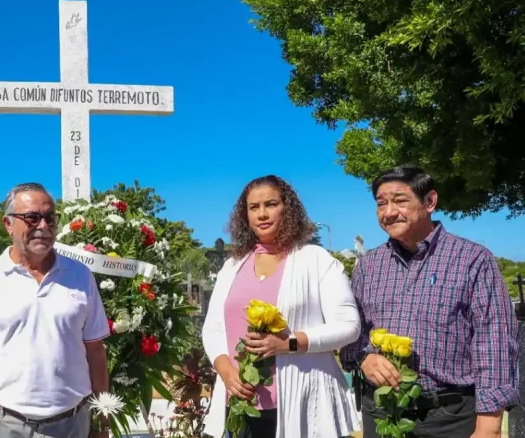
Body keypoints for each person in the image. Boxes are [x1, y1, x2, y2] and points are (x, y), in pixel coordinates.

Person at [339, 165, 519, 438]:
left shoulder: (472, 259)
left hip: (450, 416)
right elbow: (351, 330)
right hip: (382, 412)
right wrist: (363, 357)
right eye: (381, 204)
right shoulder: (368, 266)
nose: (388, 212)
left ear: (430, 201)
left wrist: (489, 425)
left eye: (400, 201)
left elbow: (494, 339)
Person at [202, 175, 362, 438]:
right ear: (245, 216)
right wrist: (226, 370)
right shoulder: (231, 267)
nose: (262, 214)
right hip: (242, 404)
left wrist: (288, 344)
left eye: (271, 204)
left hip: (303, 402)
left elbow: (349, 326)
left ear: (287, 208)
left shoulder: (316, 260)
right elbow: (213, 328)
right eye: (254, 207)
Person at [0, 182, 111, 438]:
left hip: (71, 423)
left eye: (49, 218)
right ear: (8, 224)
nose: (43, 227)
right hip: (2, 424)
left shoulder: (81, 276)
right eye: (32, 218)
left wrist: (103, 421)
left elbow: (96, 352)